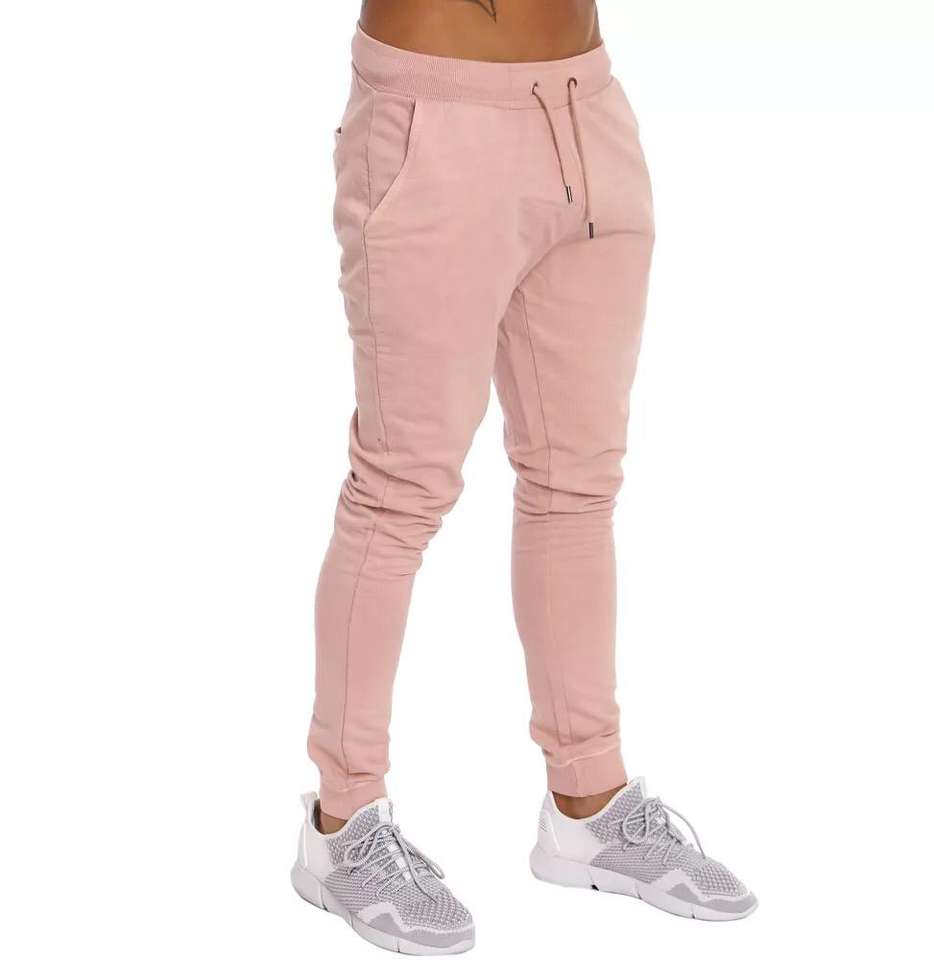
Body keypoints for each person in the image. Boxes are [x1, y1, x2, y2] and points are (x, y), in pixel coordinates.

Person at [290, 2, 756, 952]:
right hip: (432, 118)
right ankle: (341, 826)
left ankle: (589, 802)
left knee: (576, 484)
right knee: (399, 491)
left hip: (586, 109)